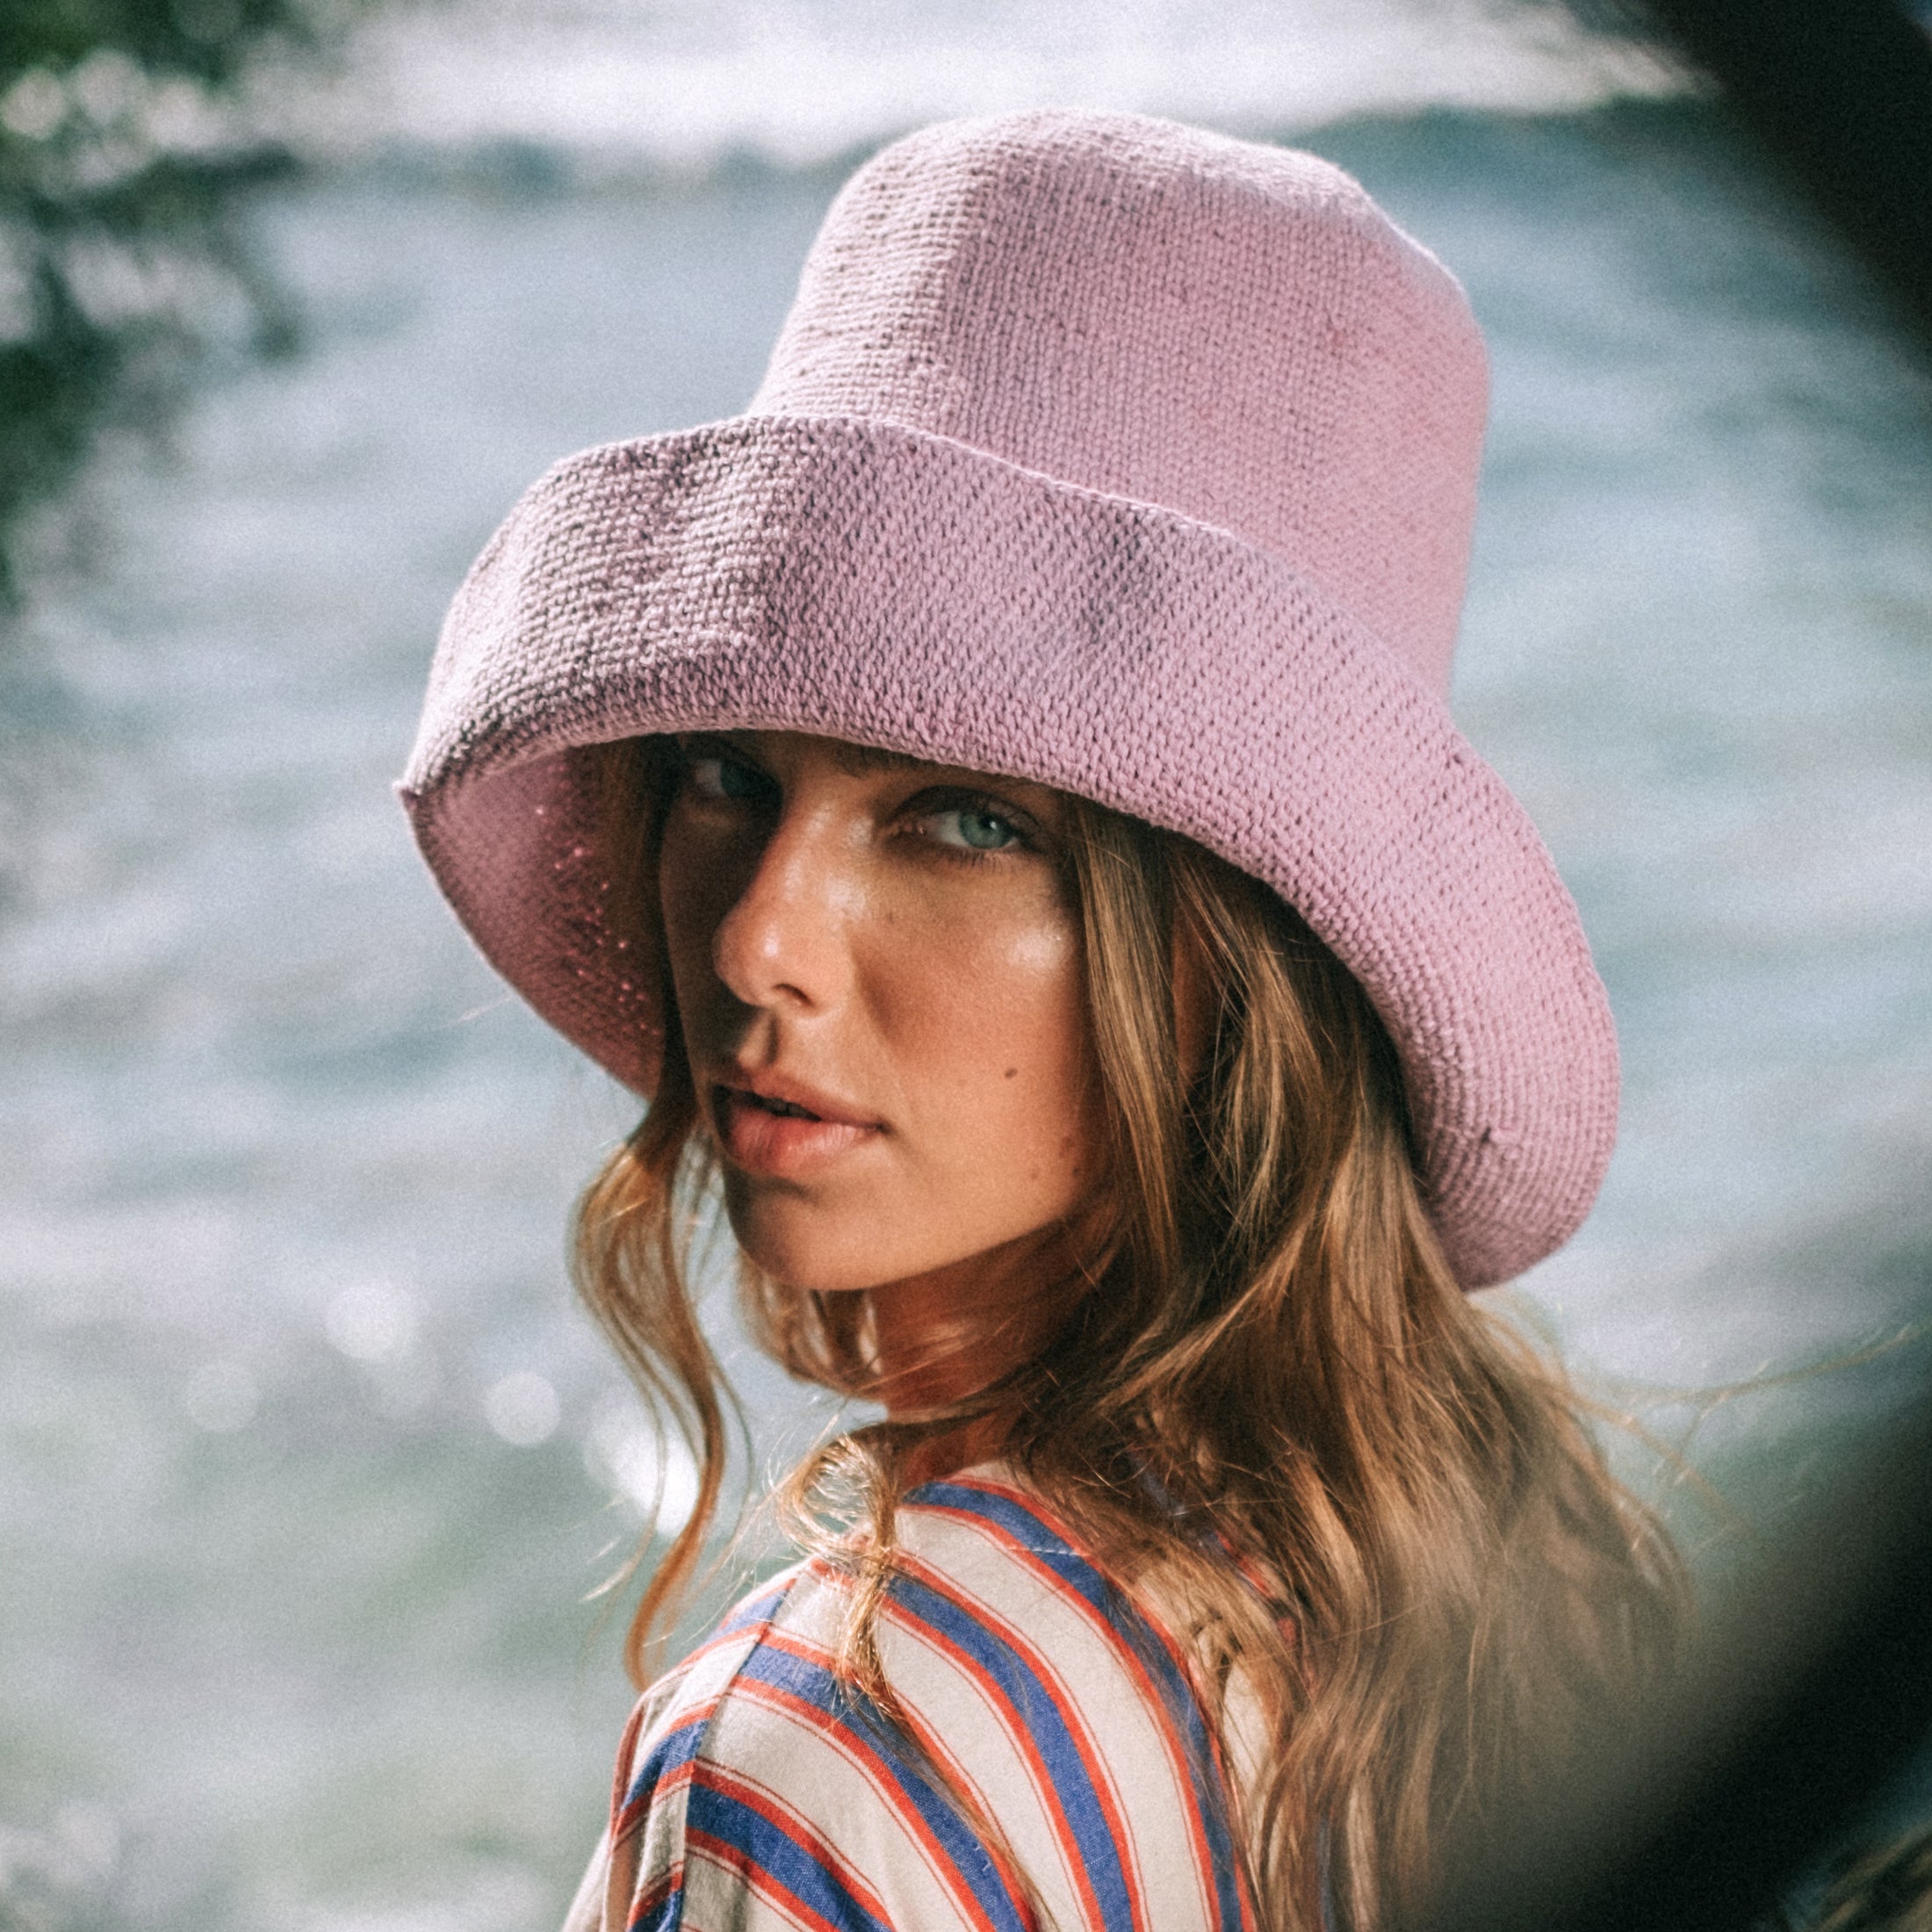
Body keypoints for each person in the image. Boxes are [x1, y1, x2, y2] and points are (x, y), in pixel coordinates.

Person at [401, 111, 1682, 1932]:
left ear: (1226, 958)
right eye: (722, 775)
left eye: (967, 820)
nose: (759, 938)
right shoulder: (1469, 1573)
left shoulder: (832, 1770)